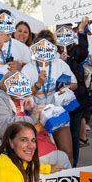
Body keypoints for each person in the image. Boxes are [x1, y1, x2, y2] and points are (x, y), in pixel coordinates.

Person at [0, 70, 71, 169]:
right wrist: (33, 117)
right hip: (10, 153)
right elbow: (4, 129)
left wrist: (32, 110)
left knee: (63, 157)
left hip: (31, 149)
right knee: (62, 160)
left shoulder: (19, 99)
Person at [21, 30, 77, 165]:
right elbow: (23, 95)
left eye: (48, 46)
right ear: (35, 48)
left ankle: (71, 180)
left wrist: (66, 88)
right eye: (41, 46)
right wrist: (38, 84)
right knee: (42, 155)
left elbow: (74, 83)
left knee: (67, 151)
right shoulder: (28, 68)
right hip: (36, 114)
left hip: (57, 111)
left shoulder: (59, 64)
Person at [58, 17, 90, 167]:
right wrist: (59, 60)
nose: (65, 35)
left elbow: (84, 51)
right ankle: (61, 165)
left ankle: (73, 166)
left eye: (69, 32)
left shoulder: (76, 50)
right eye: (62, 32)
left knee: (74, 135)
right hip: (57, 103)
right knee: (59, 136)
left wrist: (82, 30)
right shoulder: (52, 52)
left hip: (75, 102)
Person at [0, 9, 32, 93]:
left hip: (13, 94)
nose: (3, 26)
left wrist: (20, 68)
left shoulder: (22, 47)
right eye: (0, 22)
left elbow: (31, 72)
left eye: (7, 22)